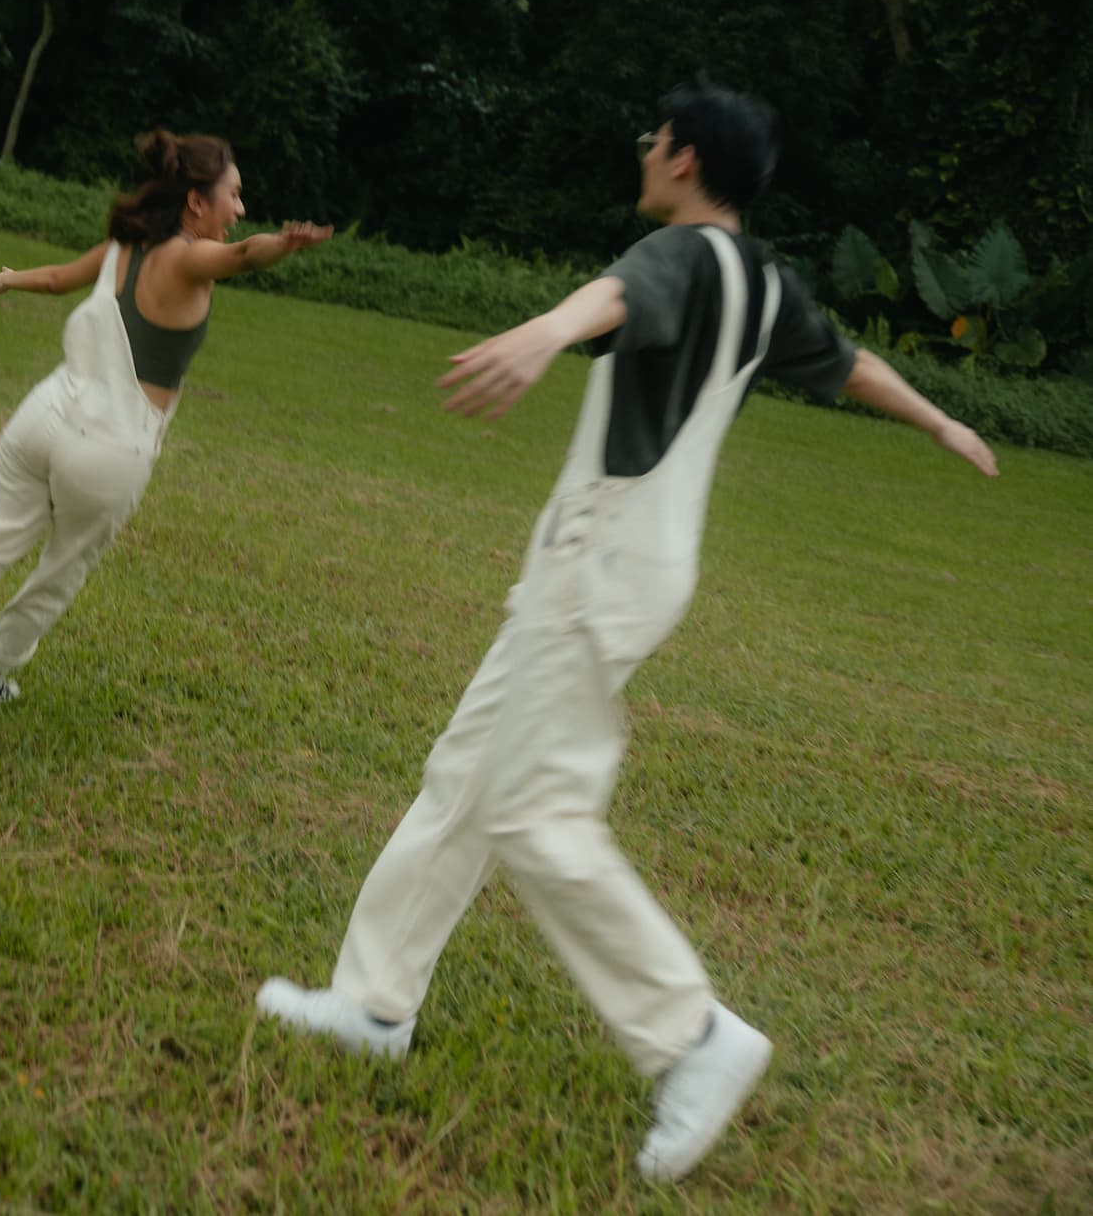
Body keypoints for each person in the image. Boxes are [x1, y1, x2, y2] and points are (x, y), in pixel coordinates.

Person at [256, 83, 997, 1184]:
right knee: (464, 775)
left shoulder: (685, 256)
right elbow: (845, 364)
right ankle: (372, 1001)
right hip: (631, 558)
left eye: (655, 142)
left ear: (686, 160)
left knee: (531, 806)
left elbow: (616, 293)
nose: (645, 154)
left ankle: (693, 1035)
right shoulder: (765, 281)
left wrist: (540, 331)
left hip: (601, 561)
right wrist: (939, 416)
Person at [0, 129, 331, 747]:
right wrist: (286, 245)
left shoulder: (124, 243)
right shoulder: (188, 258)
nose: (239, 211)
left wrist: (9, 278)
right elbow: (243, 257)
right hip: (108, 449)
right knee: (62, 567)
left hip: (43, 416)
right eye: (233, 196)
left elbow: (60, 278)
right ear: (196, 202)